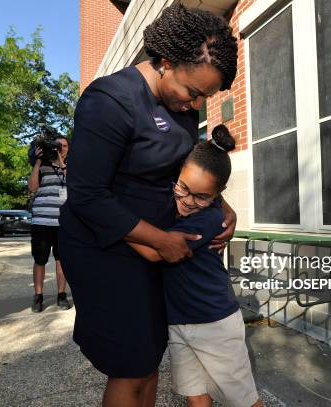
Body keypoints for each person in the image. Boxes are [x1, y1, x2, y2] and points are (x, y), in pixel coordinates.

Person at [58, 4, 239, 406]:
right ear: (166, 61)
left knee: (150, 353)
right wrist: (161, 240)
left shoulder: (180, 106)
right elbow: (86, 195)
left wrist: (222, 205)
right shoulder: (110, 100)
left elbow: (184, 163)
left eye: (205, 98)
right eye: (194, 93)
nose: (196, 105)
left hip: (155, 249)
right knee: (130, 363)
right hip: (105, 248)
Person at [129, 126, 263, 407]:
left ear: (218, 195)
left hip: (215, 323)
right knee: (195, 394)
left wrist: (115, 225)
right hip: (179, 321)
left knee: (244, 400)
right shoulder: (178, 194)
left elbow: (157, 253)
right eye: (184, 188)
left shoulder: (210, 219)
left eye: (201, 196)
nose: (188, 201)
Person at [28, 135, 71, 312]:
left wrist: (61, 161)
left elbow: (74, 184)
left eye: (64, 146)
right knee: (40, 260)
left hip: (64, 222)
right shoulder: (42, 165)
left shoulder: (73, 165)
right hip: (42, 220)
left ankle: (61, 295)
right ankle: (38, 296)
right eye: (57, 145)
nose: (61, 148)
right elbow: (32, 187)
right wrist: (37, 162)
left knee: (62, 260)